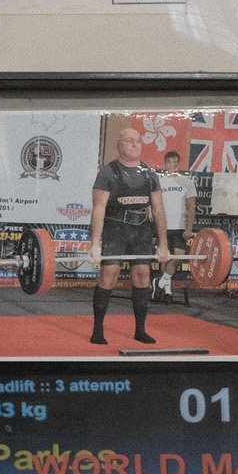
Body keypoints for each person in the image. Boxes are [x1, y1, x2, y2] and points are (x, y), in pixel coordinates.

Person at [88, 124, 171, 348]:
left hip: (141, 230)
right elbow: (98, 208)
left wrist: (163, 244)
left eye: (139, 141)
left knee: (143, 276)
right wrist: (95, 244)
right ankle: (97, 330)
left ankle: (140, 330)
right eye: (130, 140)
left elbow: (159, 209)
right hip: (116, 229)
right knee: (109, 275)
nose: (135, 144)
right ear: (119, 145)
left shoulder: (149, 173)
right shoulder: (108, 171)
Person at [153, 147, 197, 304]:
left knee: (178, 256)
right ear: (165, 164)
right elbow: (154, 202)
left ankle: (159, 282)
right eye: (169, 162)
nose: (172, 165)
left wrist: (189, 228)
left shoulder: (186, 181)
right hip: (163, 225)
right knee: (164, 259)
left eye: (175, 162)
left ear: (179, 163)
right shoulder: (159, 181)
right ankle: (167, 291)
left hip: (179, 226)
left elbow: (191, 207)